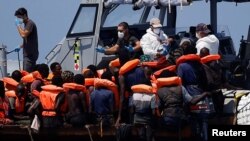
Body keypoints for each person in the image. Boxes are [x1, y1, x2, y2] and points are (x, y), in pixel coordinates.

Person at [14, 7, 39, 72]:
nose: (18, 19)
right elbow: (29, 39)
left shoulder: (30, 23)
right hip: (28, 55)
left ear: (25, 15)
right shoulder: (26, 24)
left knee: (26, 75)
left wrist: (18, 25)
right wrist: (21, 46)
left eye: (19, 17)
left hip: (30, 56)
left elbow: (23, 35)